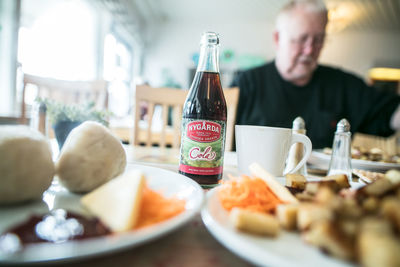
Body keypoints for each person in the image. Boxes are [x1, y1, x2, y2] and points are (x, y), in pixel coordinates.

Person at [232, 0, 400, 149]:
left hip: (325, 183)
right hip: (256, 181)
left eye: (318, 39)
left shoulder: (343, 84)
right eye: (301, 38)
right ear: (278, 38)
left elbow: (390, 113)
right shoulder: (247, 83)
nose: (310, 50)